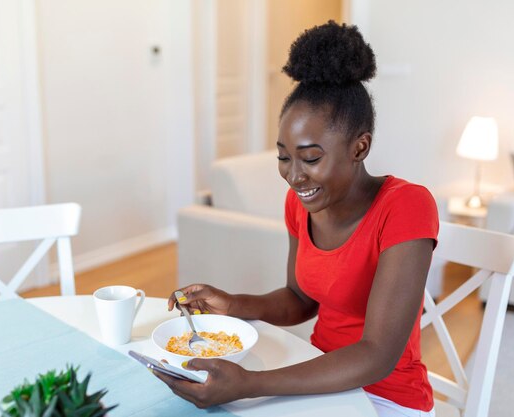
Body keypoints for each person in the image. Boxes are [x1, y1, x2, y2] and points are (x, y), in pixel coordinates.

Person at [155, 20, 438, 417]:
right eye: (283, 157)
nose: (294, 176)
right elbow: (300, 299)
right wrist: (233, 304)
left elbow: (378, 355)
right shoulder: (301, 204)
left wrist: (250, 385)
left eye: (310, 158)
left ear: (360, 147)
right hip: (316, 377)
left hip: (387, 397)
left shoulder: (406, 206)